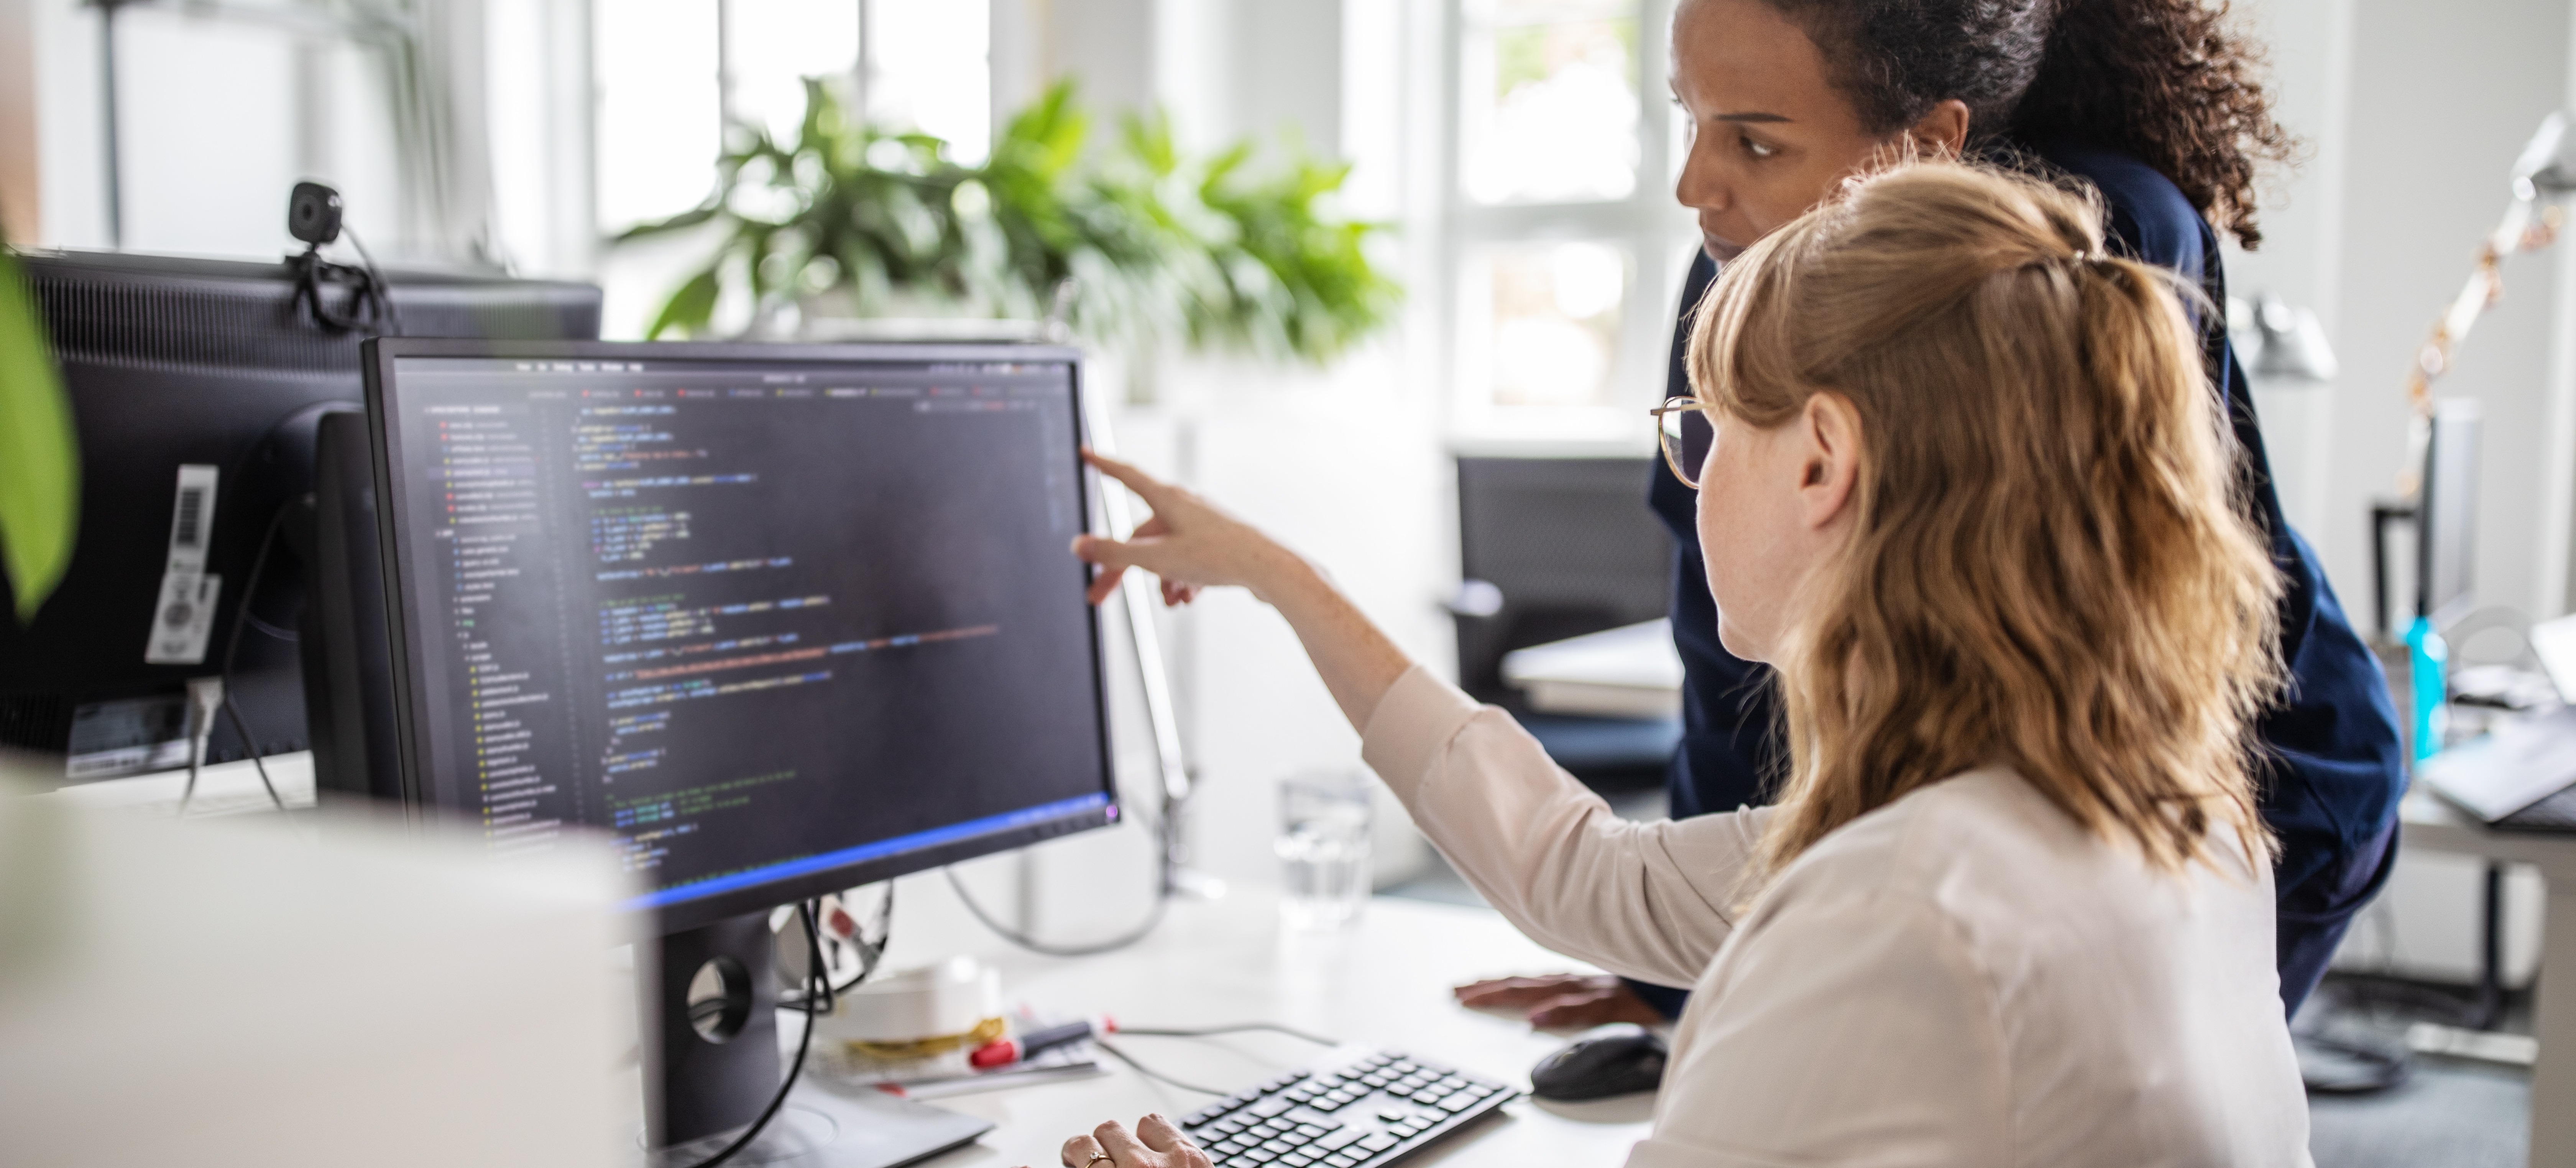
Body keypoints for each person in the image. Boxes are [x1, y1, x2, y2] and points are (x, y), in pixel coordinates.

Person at [1052, 160, 2309, 1167]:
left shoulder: (1897, 911)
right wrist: (1287, 579)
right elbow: (1582, 872)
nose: (1690, 480)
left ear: (1822, 460)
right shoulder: (2164, 815)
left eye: (1707, 431)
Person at [1460, 0, 2403, 1031]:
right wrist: (1681, 975)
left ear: (1927, 143)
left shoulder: (2086, 243)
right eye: (1693, 119)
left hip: (2240, 785)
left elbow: (2066, 679)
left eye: (1758, 141)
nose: (1698, 187)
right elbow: (1727, 656)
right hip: (1980, 811)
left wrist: (1758, 969)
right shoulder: (1736, 259)